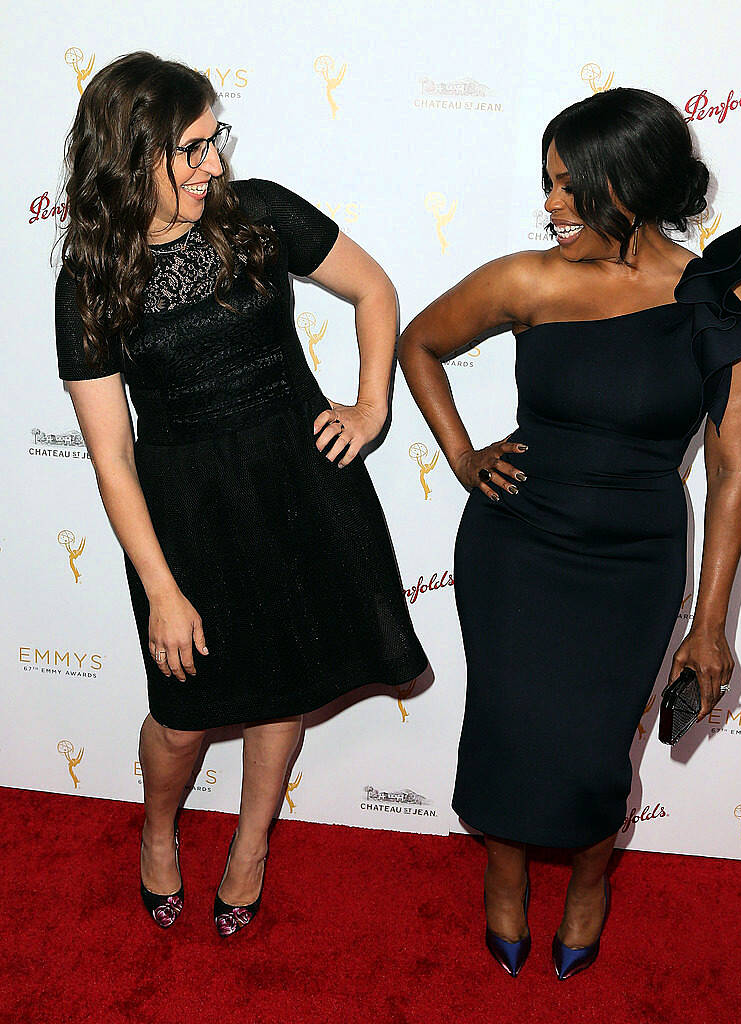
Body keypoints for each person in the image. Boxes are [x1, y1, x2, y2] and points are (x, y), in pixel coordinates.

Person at [398, 87, 741, 979]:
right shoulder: (531, 280)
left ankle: (586, 883)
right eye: (550, 185)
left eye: (572, 188)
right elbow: (419, 343)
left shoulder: (723, 301)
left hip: (634, 557)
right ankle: (501, 871)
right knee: (508, 719)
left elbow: (731, 474)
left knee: (601, 738)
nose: (552, 205)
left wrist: (712, 623)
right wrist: (461, 457)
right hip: (516, 543)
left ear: (630, 186)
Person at [54, 52, 427, 936]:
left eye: (213, 140)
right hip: (186, 513)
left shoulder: (258, 217)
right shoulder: (90, 281)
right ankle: (157, 829)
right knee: (181, 718)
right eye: (190, 148)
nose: (213, 163)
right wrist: (162, 590)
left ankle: (251, 844)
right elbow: (112, 456)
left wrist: (370, 404)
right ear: (128, 154)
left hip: (300, 483)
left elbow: (375, 289)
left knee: (282, 688)